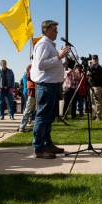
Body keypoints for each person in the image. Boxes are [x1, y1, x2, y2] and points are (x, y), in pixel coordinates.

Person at [30, 20, 70, 159]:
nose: (57, 32)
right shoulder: (43, 44)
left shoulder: (49, 45)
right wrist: (58, 56)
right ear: (46, 30)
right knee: (42, 116)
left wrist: (61, 59)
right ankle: (39, 148)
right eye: (54, 30)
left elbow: (51, 63)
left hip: (52, 85)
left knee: (49, 117)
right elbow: (41, 65)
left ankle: (47, 143)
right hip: (46, 85)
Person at [19, 64, 36, 132]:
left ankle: (36, 126)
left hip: (38, 89)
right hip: (32, 90)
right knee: (28, 109)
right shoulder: (30, 66)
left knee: (35, 110)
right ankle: (22, 127)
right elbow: (29, 77)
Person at [89, 54, 102, 120]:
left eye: (95, 59)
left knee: (97, 102)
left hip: (97, 86)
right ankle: (94, 115)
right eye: (93, 59)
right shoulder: (91, 67)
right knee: (92, 102)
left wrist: (91, 70)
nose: (94, 60)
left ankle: (98, 116)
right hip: (92, 86)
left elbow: (97, 77)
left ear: (97, 60)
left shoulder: (99, 68)